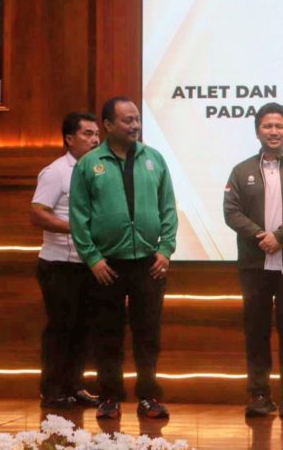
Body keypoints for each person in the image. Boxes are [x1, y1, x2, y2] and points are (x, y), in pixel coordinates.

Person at [69, 96, 178, 420]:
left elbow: (168, 208)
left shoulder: (154, 159)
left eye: (137, 119)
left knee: (148, 334)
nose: (135, 125)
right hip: (106, 265)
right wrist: (92, 258)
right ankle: (109, 397)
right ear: (108, 125)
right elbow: (78, 216)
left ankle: (149, 397)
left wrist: (166, 249)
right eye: (127, 120)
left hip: (148, 263)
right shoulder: (89, 164)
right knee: (107, 334)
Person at [224, 102, 283, 418]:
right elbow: (231, 211)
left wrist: (279, 235)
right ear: (257, 131)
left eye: (280, 126)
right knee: (256, 331)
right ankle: (259, 395)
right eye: (267, 126)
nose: (274, 131)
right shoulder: (241, 171)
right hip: (254, 264)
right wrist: (259, 235)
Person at [31, 112, 101, 409]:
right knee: (61, 328)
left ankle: (74, 386)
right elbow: (38, 213)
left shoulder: (98, 169)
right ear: (69, 139)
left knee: (83, 328)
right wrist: (76, 228)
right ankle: (52, 390)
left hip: (89, 263)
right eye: (87, 134)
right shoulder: (56, 172)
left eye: (97, 134)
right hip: (59, 264)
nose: (95, 139)